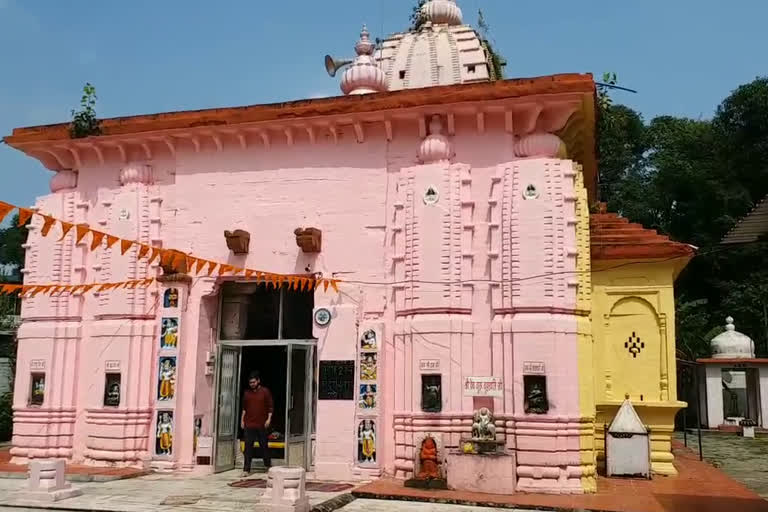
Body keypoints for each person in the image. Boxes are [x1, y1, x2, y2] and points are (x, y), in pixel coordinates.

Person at [240, 371, 273, 477]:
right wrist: (242, 420)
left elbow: (270, 407)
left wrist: (269, 419)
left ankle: (268, 466)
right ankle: (246, 469)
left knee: (264, 446)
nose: (252, 384)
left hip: (261, 424)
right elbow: (244, 409)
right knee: (248, 447)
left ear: (258, 381)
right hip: (249, 424)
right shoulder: (247, 393)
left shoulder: (265, 392)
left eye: (254, 382)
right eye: (250, 383)